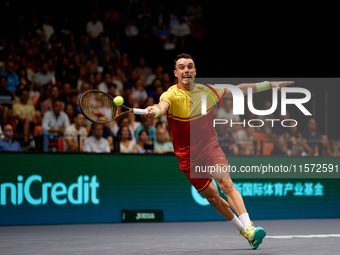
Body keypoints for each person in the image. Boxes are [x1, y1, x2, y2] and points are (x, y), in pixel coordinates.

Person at [144, 53, 294, 250]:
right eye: (182, 67)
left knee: (226, 183)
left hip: (209, 147)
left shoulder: (207, 91)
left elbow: (239, 90)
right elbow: (161, 106)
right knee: (213, 197)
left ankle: (250, 226)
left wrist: (267, 84)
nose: (186, 70)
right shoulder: (171, 94)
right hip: (188, 157)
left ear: (195, 71)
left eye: (190, 66)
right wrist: (153, 111)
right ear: (176, 73)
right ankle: (245, 232)